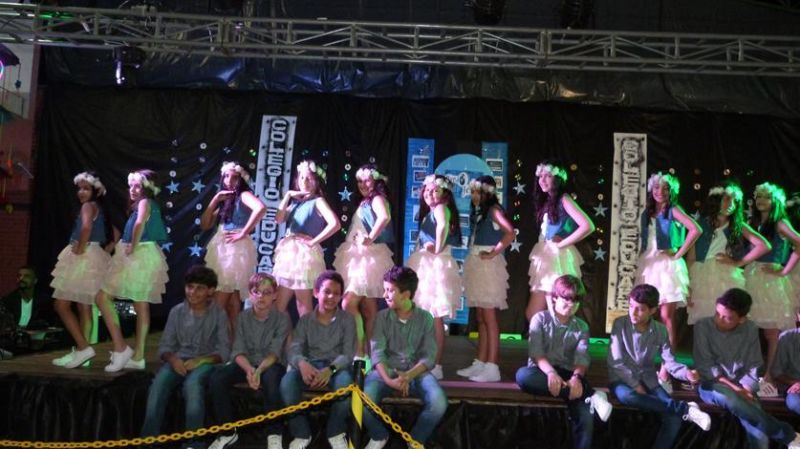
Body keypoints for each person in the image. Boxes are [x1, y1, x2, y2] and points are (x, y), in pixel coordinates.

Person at [693, 288, 800, 449]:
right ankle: (787, 435)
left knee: (760, 438)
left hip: (743, 387)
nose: (719, 320)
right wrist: (737, 389)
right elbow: (706, 366)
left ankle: (787, 436)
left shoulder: (750, 329)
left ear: (742, 319)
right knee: (728, 397)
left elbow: (753, 365)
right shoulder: (702, 326)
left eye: (727, 318)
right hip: (712, 385)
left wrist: (747, 389)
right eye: (717, 314)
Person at [608, 284, 711, 449]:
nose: (633, 312)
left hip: (649, 380)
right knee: (629, 397)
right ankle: (685, 409)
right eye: (631, 306)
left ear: (653, 310)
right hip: (622, 379)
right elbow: (616, 362)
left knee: (673, 418)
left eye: (640, 309)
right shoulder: (620, 324)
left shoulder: (661, 330)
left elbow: (669, 361)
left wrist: (686, 373)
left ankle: (681, 411)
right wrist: (635, 384)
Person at [515, 275, 612, 449]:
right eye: (566, 299)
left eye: (575, 301)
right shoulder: (540, 319)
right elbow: (536, 354)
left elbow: (582, 358)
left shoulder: (582, 326)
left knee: (585, 416)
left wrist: (576, 378)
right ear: (554, 297)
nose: (571, 305)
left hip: (568, 375)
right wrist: (551, 373)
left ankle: (584, 393)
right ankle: (590, 394)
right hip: (541, 372)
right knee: (523, 376)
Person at [140, 265, 230, 449]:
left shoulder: (219, 314)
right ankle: (148, 442)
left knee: (193, 386)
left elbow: (224, 351)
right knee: (157, 387)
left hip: (205, 362)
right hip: (178, 360)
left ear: (210, 291)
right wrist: (173, 360)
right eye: (190, 287)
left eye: (199, 288)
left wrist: (202, 360)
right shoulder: (176, 311)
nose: (193, 292)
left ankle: (193, 444)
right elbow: (165, 346)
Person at [363, 266, 447, 449]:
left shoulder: (425, 318)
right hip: (386, 371)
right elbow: (377, 353)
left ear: (406, 294)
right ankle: (378, 436)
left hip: (416, 372)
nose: (385, 295)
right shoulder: (381, 317)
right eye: (384, 289)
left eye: (390, 290)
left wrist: (408, 375)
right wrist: (389, 380)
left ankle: (415, 440)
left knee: (439, 402)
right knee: (363, 399)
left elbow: (429, 356)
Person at [96, 169, 170, 372]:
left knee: (104, 297)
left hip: (140, 252)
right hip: (142, 252)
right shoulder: (142, 205)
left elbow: (139, 223)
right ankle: (137, 356)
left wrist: (133, 246)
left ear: (147, 188)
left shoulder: (145, 202)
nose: (133, 189)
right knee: (139, 304)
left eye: (137, 186)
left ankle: (122, 349)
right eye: (131, 186)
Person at [208, 273, 290, 449]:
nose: (261, 296)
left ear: (275, 295)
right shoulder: (242, 317)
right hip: (247, 363)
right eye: (256, 292)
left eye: (267, 292)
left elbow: (275, 353)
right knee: (217, 378)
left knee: (271, 380)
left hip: (270, 364)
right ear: (250, 294)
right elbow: (238, 350)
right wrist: (249, 370)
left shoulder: (282, 318)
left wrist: (258, 371)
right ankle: (227, 431)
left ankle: (274, 433)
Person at [279, 270, 355, 449]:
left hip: (336, 368)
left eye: (336, 293)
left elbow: (348, 354)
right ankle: (301, 433)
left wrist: (331, 369)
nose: (331, 297)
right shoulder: (305, 320)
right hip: (310, 366)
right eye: (326, 292)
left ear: (341, 296)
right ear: (316, 292)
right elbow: (295, 349)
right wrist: (302, 363)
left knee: (345, 386)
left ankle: (335, 432)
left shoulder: (347, 320)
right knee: (287, 383)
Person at [50, 172, 114, 368]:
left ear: (95, 190)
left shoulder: (87, 206)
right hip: (94, 253)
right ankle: (82, 352)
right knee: (83, 306)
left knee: (61, 305)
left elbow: (86, 228)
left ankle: (83, 348)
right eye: (79, 188)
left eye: (86, 188)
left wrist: (79, 249)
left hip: (84, 255)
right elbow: (111, 232)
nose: (81, 192)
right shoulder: (98, 208)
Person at [333, 164, 395, 361]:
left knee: (348, 303)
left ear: (376, 181)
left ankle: (360, 354)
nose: (363, 184)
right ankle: (373, 356)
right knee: (369, 309)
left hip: (368, 257)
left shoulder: (377, 199)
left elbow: (384, 217)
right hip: (358, 255)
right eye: (359, 181)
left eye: (367, 180)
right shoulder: (366, 201)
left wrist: (370, 237)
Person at [687, 182, 769, 326]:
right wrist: (688, 286)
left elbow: (764, 245)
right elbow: (691, 258)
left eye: (735, 201)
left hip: (725, 276)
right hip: (701, 275)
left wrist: (738, 263)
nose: (731, 204)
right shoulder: (700, 223)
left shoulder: (738, 226)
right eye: (726, 199)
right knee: (704, 321)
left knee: (728, 317)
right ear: (716, 199)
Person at [745, 182, 800, 395]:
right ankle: (750, 374)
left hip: (770, 280)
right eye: (759, 196)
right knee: (749, 328)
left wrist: (785, 271)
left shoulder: (780, 222)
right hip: (752, 276)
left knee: (772, 332)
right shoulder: (753, 221)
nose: (761, 200)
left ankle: (769, 375)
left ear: (774, 200)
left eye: (766, 197)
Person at [457, 176, 514, 383]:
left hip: (488, 268)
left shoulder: (493, 210)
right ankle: (480, 362)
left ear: (488, 193)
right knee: (480, 316)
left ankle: (492, 365)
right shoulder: (480, 213)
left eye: (478, 192)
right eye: (472, 192)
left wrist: (493, 253)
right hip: (477, 264)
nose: (474, 196)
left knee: (489, 317)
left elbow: (510, 233)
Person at [635, 172, 701, 349]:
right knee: (647, 313)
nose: (660, 192)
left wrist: (678, 253)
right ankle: (647, 353)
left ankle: (668, 361)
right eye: (657, 187)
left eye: (665, 188)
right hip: (649, 264)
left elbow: (695, 229)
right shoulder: (647, 212)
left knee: (666, 316)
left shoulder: (673, 209)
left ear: (672, 191)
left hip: (667, 267)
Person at [407, 174, 463, 380]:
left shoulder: (440, 208)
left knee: (435, 317)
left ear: (444, 193)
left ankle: (436, 364)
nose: (430, 193)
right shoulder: (430, 211)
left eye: (435, 190)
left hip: (435, 266)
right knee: (426, 317)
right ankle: (425, 360)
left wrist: (437, 248)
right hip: (426, 263)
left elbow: (442, 225)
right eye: (427, 190)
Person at [201, 162, 267, 335]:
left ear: (241, 179)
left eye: (234, 177)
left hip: (234, 250)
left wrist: (243, 232)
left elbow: (261, 208)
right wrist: (215, 200)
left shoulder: (244, 194)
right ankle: (235, 344)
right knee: (232, 302)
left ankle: (211, 342)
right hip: (222, 247)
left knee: (220, 299)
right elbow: (205, 224)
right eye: (226, 176)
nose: (229, 181)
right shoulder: (225, 200)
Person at [526, 162, 595, 322]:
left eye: (548, 176)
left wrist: (562, 244)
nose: (543, 180)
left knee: (556, 311)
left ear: (557, 179)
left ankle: (559, 336)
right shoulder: (548, 201)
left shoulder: (564, 199)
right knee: (533, 314)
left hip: (557, 259)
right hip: (545, 256)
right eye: (541, 176)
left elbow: (587, 226)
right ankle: (546, 336)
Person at [273, 160, 341, 318]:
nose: (305, 182)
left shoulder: (318, 201)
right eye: (302, 177)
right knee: (278, 307)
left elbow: (335, 224)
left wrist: (313, 241)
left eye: (310, 178)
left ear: (317, 181)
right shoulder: (295, 203)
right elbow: (278, 218)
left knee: (303, 305)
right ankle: (286, 335)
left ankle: (308, 335)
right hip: (289, 254)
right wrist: (288, 195)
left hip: (304, 255)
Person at [771, 327, 800, 416]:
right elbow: (776, 372)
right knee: (795, 402)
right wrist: (796, 383)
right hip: (794, 388)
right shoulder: (787, 337)